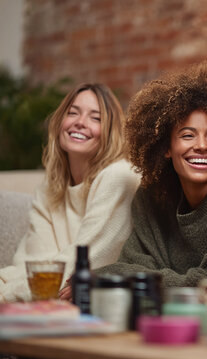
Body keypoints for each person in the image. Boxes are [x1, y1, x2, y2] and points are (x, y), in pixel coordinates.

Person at [91, 60, 207, 287]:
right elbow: (132, 265)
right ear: (166, 147)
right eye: (188, 135)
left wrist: (120, 275)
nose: (202, 145)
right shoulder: (151, 198)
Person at [0, 83, 140, 302]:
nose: (80, 122)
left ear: (110, 131)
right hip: (49, 308)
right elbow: (31, 266)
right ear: (59, 123)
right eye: (73, 113)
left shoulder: (120, 177)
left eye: (96, 118)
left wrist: (5, 292)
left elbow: (75, 271)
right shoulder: (49, 189)